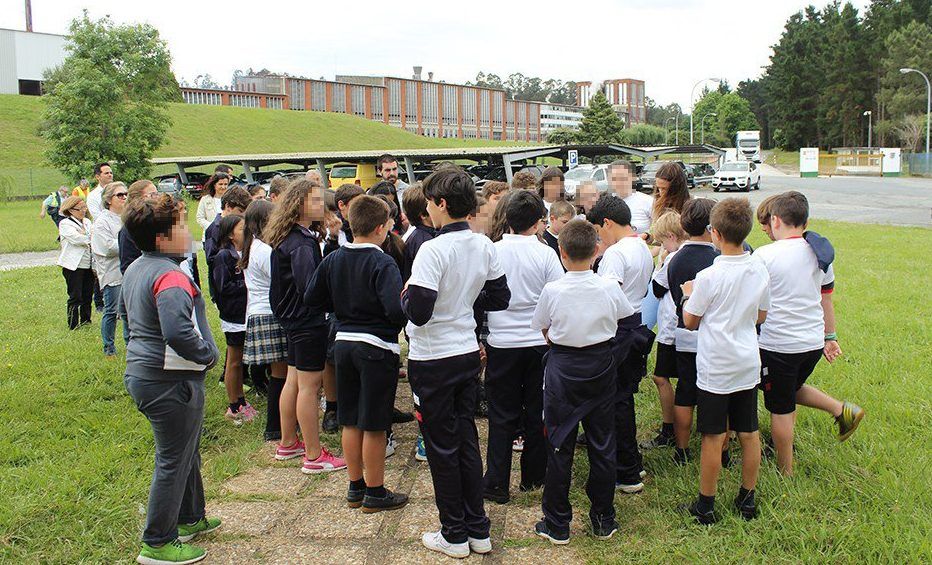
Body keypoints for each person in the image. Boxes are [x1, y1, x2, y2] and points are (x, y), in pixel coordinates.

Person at [401, 167, 510, 559]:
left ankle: (454, 532)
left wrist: (406, 295)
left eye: (429, 202)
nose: (427, 210)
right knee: (465, 438)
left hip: (433, 358)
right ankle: (477, 528)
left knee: (441, 446)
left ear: (441, 204)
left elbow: (419, 313)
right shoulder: (483, 245)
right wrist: (463, 298)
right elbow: (499, 298)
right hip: (466, 352)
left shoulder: (433, 248)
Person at [121, 194, 221, 565]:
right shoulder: (171, 275)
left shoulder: (137, 268)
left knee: (185, 452)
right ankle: (158, 542)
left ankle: (191, 517)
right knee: (173, 459)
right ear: (163, 239)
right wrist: (208, 354)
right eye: (181, 225)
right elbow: (177, 331)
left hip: (147, 375)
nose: (188, 230)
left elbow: (127, 318)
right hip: (169, 381)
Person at [531, 219, 635, 545]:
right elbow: (627, 321)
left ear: (561, 253)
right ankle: (603, 517)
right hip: (601, 365)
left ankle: (558, 521)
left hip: (563, 368)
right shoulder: (608, 287)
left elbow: (543, 327)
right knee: (602, 443)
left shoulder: (553, 289)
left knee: (560, 443)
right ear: (596, 251)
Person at [306, 194, 410, 513]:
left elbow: (312, 297)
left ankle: (355, 486)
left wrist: (341, 307)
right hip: (377, 347)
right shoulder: (382, 262)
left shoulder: (334, 258)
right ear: (381, 228)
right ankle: (376, 491)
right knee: (375, 422)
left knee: (350, 418)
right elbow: (395, 310)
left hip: (343, 344)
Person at [754, 191, 863, 475]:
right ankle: (842, 410)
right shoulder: (820, 254)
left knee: (780, 405)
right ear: (806, 221)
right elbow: (826, 298)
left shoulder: (765, 255)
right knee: (788, 390)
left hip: (778, 345)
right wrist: (830, 337)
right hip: (812, 343)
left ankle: (785, 471)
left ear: (775, 220)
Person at [680, 197, 770, 524]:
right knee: (748, 432)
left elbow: (690, 321)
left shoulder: (707, 277)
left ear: (714, 233)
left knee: (713, 435)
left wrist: (687, 294)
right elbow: (761, 315)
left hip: (716, 365)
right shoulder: (759, 268)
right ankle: (747, 499)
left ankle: (706, 504)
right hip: (747, 360)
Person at [482, 191, 563, 505]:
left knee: (501, 414)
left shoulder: (493, 250)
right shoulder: (545, 254)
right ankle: (533, 476)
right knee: (536, 411)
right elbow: (556, 294)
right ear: (538, 223)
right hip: (537, 343)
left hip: (501, 342)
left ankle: (497, 483)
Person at [266, 179, 347, 473]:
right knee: (310, 388)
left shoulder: (289, 237)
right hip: (306, 320)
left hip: (291, 319)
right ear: (299, 205)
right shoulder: (301, 243)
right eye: (315, 202)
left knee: (294, 380)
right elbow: (310, 287)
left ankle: (289, 441)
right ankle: (314, 454)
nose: (321, 208)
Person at [587, 194, 654, 493]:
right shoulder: (639, 244)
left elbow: (609, 295)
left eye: (599, 231)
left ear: (608, 223)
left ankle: (625, 471)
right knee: (623, 399)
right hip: (636, 323)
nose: (599, 238)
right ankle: (631, 462)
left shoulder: (615, 254)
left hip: (619, 329)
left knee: (614, 403)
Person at [664, 198, 719, 464]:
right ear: (712, 226)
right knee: (717, 394)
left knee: (685, 391)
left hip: (684, 335)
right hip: (712, 336)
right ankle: (723, 450)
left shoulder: (675, 259)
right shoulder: (718, 258)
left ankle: (682, 450)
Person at [240, 200, 288, 441]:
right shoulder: (265, 251)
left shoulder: (252, 247)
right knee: (281, 374)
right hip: (269, 314)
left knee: (278, 373)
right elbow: (280, 280)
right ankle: (275, 426)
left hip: (258, 313)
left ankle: (277, 424)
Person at [640, 211, 687, 450]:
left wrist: (661, 260)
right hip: (686, 328)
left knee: (661, 377)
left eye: (661, 241)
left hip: (670, 328)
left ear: (670, 236)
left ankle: (670, 427)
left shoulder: (672, 258)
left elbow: (657, 288)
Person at [399, 183, 435, 462]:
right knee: (424, 387)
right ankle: (425, 439)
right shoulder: (423, 242)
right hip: (424, 321)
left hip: (422, 319)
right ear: (425, 214)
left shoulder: (418, 236)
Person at [212, 214, 256, 424]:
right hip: (234, 315)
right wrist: (247, 284)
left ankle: (241, 400)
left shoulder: (246, 252)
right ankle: (234, 404)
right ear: (230, 234)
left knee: (240, 361)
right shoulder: (224, 256)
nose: (246, 231)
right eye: (241, 228)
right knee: (234, 360)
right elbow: (223, 287)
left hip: (246, 313)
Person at [92, 182, 130, 356]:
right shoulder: (101, 222)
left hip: (128, 270)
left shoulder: (127, 218)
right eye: (120, 195)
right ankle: (109, 348)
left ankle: (131, 344)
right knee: (112, 310)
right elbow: (107, 248)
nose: (124, 197)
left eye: (125, 194)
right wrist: (128, 243)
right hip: (112, 271)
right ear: (108, 200)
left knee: (129, 311)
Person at [204, 186, 251, 304]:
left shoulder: (240, 225)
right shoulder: (215, 228)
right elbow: (211, 259)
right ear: (228, 207)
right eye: (240, 211)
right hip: (227, 289)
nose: (243, 215)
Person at [57, 196, 94, 329]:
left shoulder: (87, 222)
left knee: (87, 294)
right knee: (75, 296)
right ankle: (73, 324)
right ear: (71, 210)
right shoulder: (65, 224)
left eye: (84, 208)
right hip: (73, 266)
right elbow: (76, 239)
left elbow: (94, 237)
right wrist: (87, 236)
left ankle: (86, 320)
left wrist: (86, 235)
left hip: (88, 265)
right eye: (80, 209)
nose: (83, 211)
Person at [119, 180, 159, 274]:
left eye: (157, 194)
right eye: (153, 194)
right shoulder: (128, 229)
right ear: (139, 199)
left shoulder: (156, 222)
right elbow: (127, 266)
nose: (157, 198)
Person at [608, 160, 653, 234]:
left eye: (622, 178)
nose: (618, 182)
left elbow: (659, 230)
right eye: (614, 178)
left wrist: (647, 236)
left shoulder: (648, 201)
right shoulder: (605, 204)